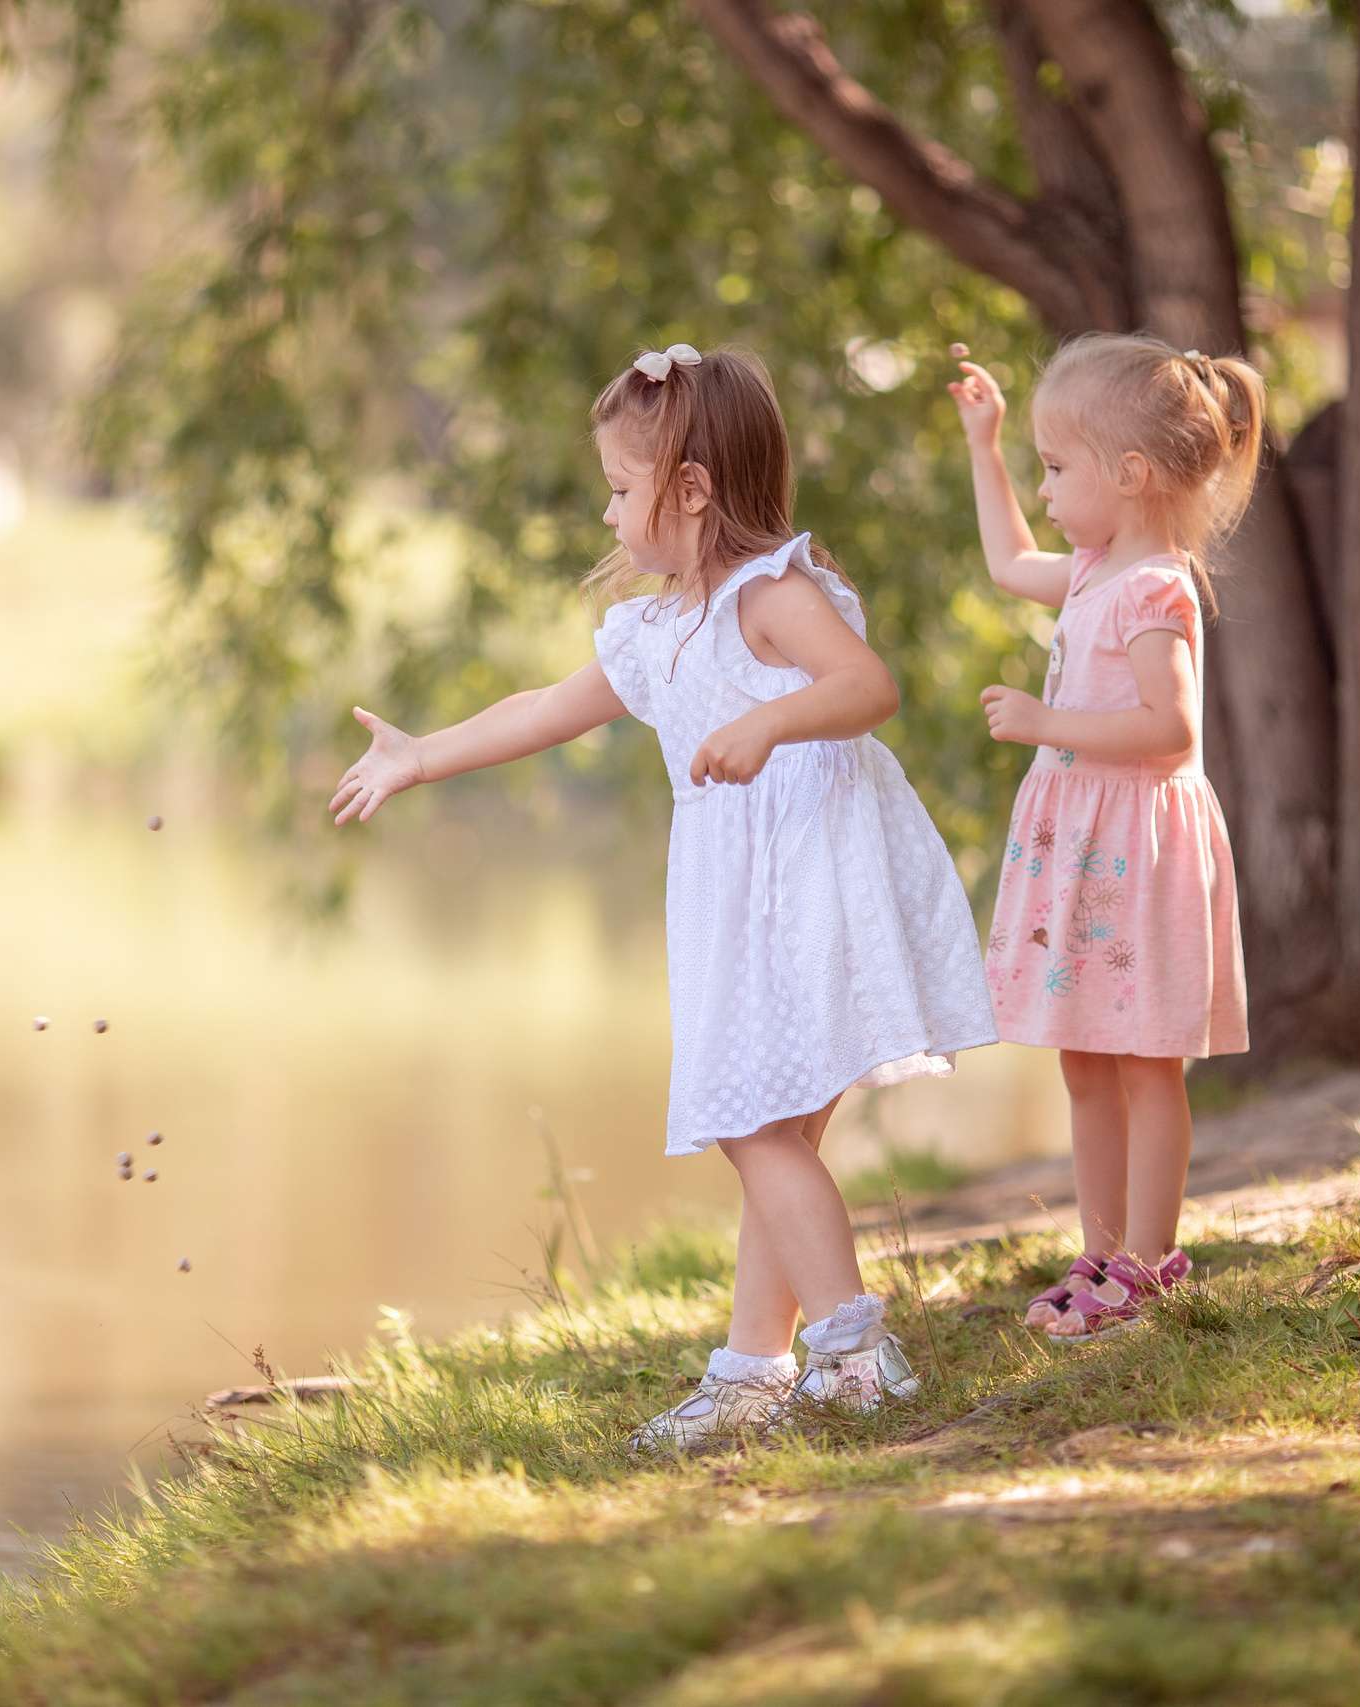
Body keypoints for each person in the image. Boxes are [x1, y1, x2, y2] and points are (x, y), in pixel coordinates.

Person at [331, 343, 996, 1448]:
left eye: (619, 487)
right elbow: (547, 706)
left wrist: (768, 722)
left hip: (808, 885)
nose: (606, 513)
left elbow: (867, 688)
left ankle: (852, 1352)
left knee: (752, 1123)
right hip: (747, 898)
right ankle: (752, 1370)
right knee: (770, 1127)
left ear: (688, 488)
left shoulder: (769, 595)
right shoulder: (657, 629)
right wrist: (421, 753)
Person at [946, 333, 1257, 1341]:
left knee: (1142, 1059)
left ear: (1128, 476)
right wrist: (985, 446)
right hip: (1083, 843)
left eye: (1052, 466)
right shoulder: (1088, 570)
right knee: (1084, 1056)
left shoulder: (1157, 589)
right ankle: (1101, 1250)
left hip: (1138, 846)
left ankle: (1151, 1260)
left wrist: (1048, 727)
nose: (1043, 490)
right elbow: (1001, 564)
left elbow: (1172, 731)